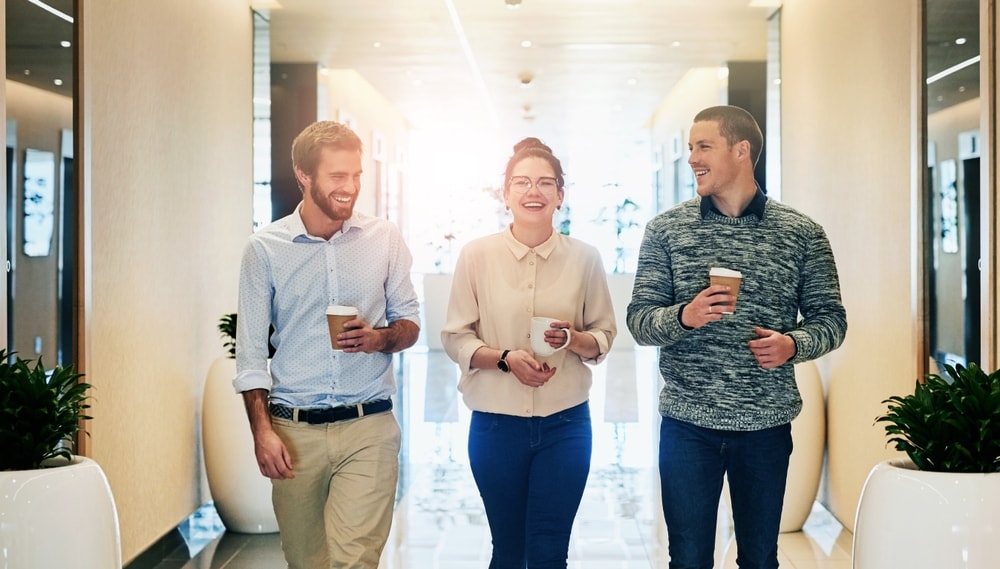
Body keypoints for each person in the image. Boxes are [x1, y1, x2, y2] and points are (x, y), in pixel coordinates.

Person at [626, 105, 847, 569]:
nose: (691, 158)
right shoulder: (666, 231)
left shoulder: (801, 234)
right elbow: (640, 321)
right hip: (687, 426)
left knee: (761, 559)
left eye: (703, 146)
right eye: (690, 147)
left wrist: (793, 345)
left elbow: (831, 321)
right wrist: (685, 317)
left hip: (766, 427)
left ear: (741, 150)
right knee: (687, 559)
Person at [233, 120, 420, 569]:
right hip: (295, 431)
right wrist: (262, 432)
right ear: (303, 175)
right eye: (338, 176)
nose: (351, 187)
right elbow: (251, 352)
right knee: (307, 561)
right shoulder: (265, 249)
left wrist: (379, 338)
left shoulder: (384, 239)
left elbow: (410, 322)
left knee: (354, 561)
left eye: (356, 175)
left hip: (368, 424)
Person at [441, 138, 617, 568]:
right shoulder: (476, 256)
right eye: (521, 182)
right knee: (508, 548)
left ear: (560, 195)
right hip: (495, 427)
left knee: (549, 550)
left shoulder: (585, 258)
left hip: (567, 425)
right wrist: (504, 358)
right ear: (506, 193)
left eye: (544, 183)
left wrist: (573, 339)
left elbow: (605, 336)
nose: (532, 192)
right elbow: (455, 337)